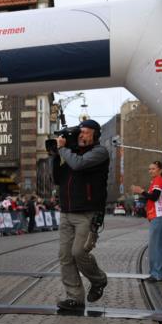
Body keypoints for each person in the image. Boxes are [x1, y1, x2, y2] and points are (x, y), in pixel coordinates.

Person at [51, 119, 109, 313]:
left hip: (87, 212)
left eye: (85, 132)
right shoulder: (71, 153)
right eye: (80, 132)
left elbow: (78, 165)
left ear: (95, 134)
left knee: (79, 252)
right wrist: (54, 155)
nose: (81, 135)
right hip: (67, 212)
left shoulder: (99, 153)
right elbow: (57, 178)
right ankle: (74, 297)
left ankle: (98, 279)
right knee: (65, 256)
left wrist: (63, 150)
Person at [132, 161, 162, 282]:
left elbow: (154, 196)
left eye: (153, 169)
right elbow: (152, 199)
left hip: (159, 217)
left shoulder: (159, 180)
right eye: (149, 169)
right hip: (156, 217)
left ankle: (157, 274)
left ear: (160, 170)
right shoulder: (155, 181)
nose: (150, 171)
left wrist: (141, 191)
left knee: (156, 247)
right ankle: (155, 273)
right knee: (154, 247)